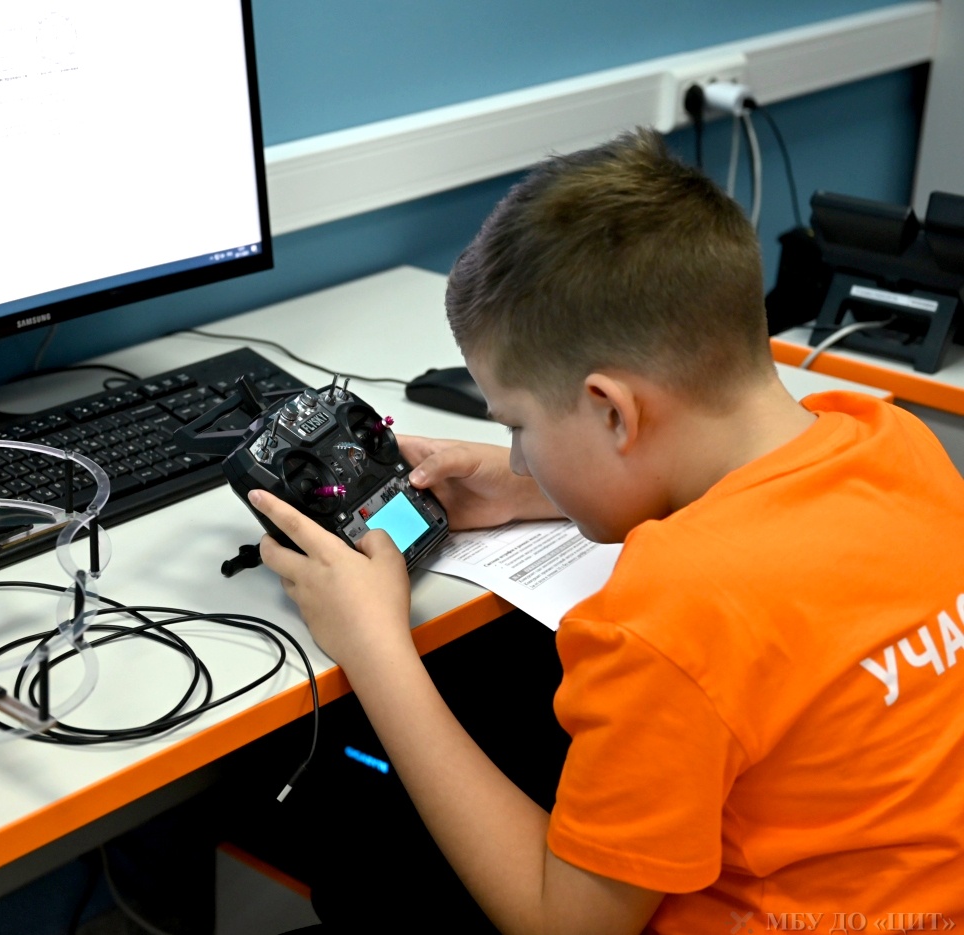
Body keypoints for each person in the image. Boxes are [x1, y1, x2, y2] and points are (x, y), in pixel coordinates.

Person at [251, 128, 964, 932]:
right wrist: (529, 489)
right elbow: (758, 505)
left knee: (367, 869)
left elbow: (565, 924)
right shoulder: (891, 441)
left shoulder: (674, 606)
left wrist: (376, 648)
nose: (517, 454)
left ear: (612, 411)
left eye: (518, 426)